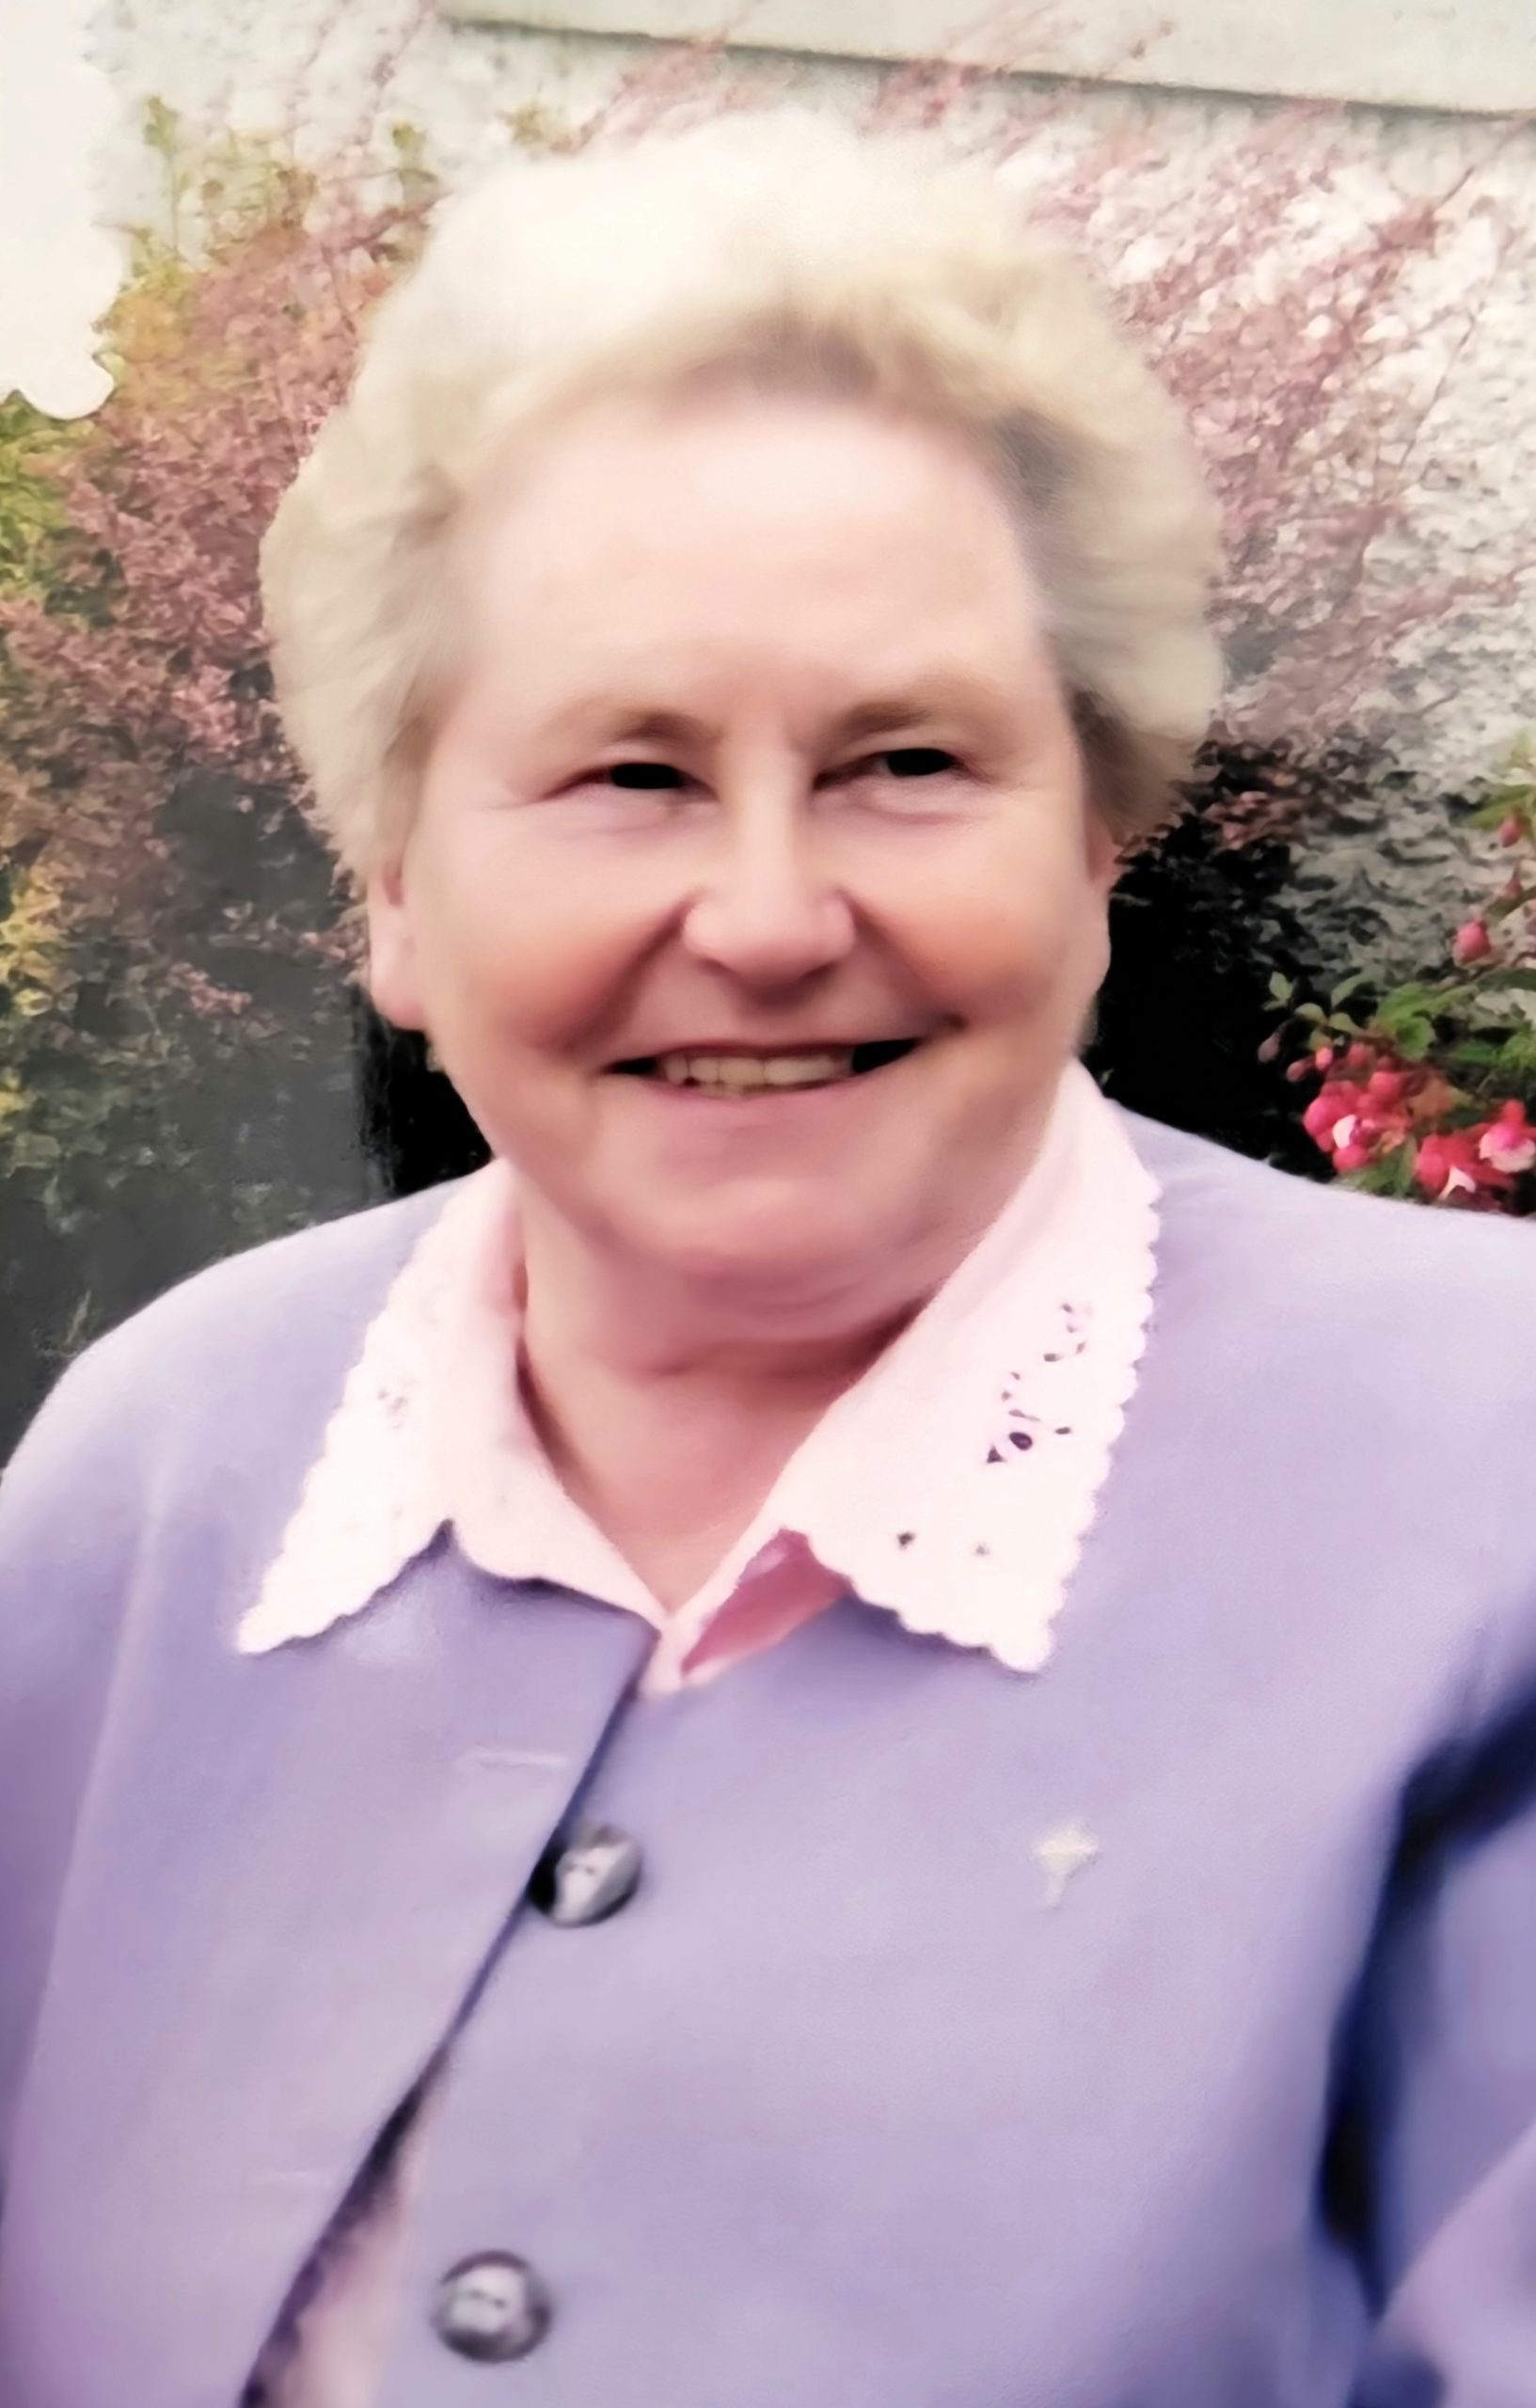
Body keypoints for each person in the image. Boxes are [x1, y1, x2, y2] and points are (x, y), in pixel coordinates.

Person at [0, 108, 1533, 2408]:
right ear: (395, 890)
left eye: (906, 760)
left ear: (1095, 845)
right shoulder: (157, 1470)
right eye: (628, 773)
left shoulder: (1488, 1484)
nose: (769, 914)